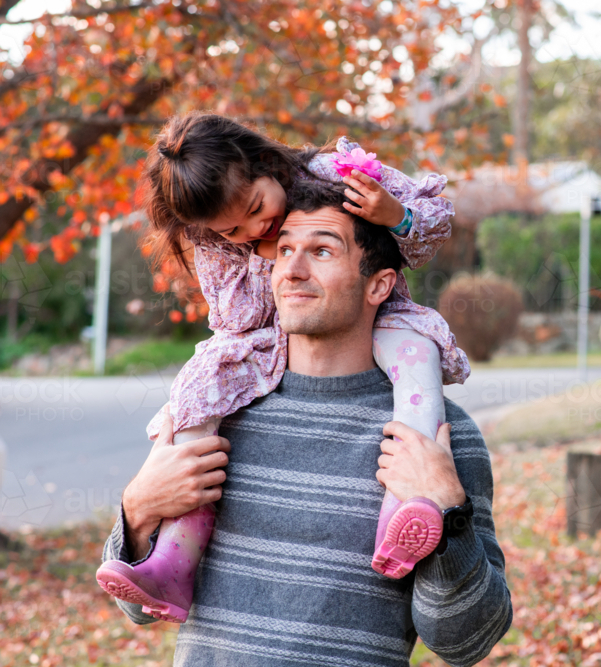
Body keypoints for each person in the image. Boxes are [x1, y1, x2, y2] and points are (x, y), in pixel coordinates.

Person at [101, 180, 513, 666]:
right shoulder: (218, 410)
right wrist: (136, 510)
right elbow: (139, 608)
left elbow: (466, 642)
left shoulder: (438, 435)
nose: (292, 270)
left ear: (378, 284)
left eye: (321, 250)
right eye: (284, 250)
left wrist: (449, 512)